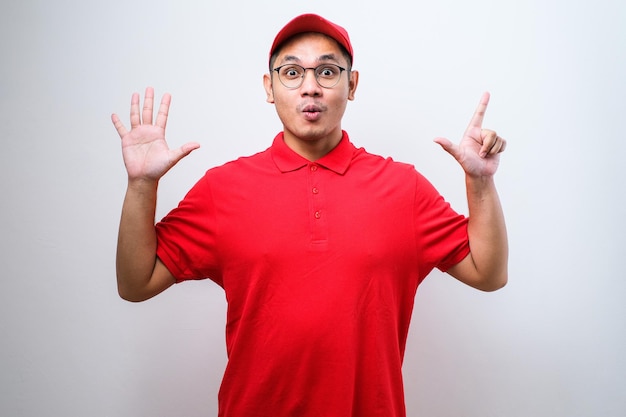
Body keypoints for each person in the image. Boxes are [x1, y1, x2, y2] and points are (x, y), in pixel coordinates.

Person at [111, 13, 508, 417]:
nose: (310, 87)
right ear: (269, 87)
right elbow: (135, 282)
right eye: (292, 72)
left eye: (328, 71)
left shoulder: (403, 188)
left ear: (352, 85)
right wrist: (141, 185)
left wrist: (480, 183)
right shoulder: (223, 188)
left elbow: (488, 273)